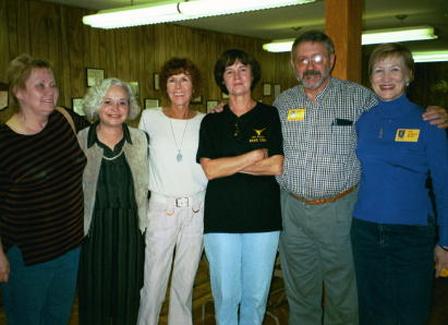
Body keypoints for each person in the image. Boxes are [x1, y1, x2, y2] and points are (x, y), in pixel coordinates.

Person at [273, 30, 448, 325]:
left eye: (317, 57)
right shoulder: (282, 103)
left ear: (331, 59)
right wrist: (224, 112)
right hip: (292, 212)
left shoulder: (360, 99)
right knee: (301, 295)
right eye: (302, 60)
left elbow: (398, 111)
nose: (310, 65)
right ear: (293, 65)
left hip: (341, 210)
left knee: (345, 296)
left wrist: (439, 115)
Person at [351, 43, 448, 325]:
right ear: (370, 79)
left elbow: (444, 186)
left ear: (409, 76)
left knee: (410, 312)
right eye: (379, 70)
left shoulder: (429, 122)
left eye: (395, 69)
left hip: (412, 233)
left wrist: (445, 243)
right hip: (365, 231)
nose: (386, 77)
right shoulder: (364, 121)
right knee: (371, 312)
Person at [197, 48, 284, 325]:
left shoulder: (270, 116)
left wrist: (228, 164)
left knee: (256, 296)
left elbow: (276, 166)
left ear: (252, 75)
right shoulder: (211, 120)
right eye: (229, 71)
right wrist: (252, 156)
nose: (237, 76)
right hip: (221, 220)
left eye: (243, 69)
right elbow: (210, 171)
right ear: (222, 79)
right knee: (226, 295)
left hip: (264, 219)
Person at [0, 54, 87, 324]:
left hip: (70, 247)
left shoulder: (63, 120)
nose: (50, 92)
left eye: (53, 85)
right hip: (28, 256)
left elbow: (107, 127)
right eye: (40, 85)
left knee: (58, 318)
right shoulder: (4, 142)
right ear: (18, 92)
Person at [137, 58, 208, 325]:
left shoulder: (206, 121)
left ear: (194, 86)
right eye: (172, 80)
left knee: (185, 280)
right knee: (153, 278)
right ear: (164, 86)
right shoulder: (149, 118)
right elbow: (138, 160)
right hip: (161, 207)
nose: (178, 86)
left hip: (196, 208)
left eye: (185, 79)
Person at [77, 78, 149, 325]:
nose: (115, 108)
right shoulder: (81, 139)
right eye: (107, 102)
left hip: (131, 231)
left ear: (130, 108)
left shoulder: (141, 139)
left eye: (122, 103)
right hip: (93, 232)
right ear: (96, 105)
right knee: (93, 298)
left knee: (128, 297)